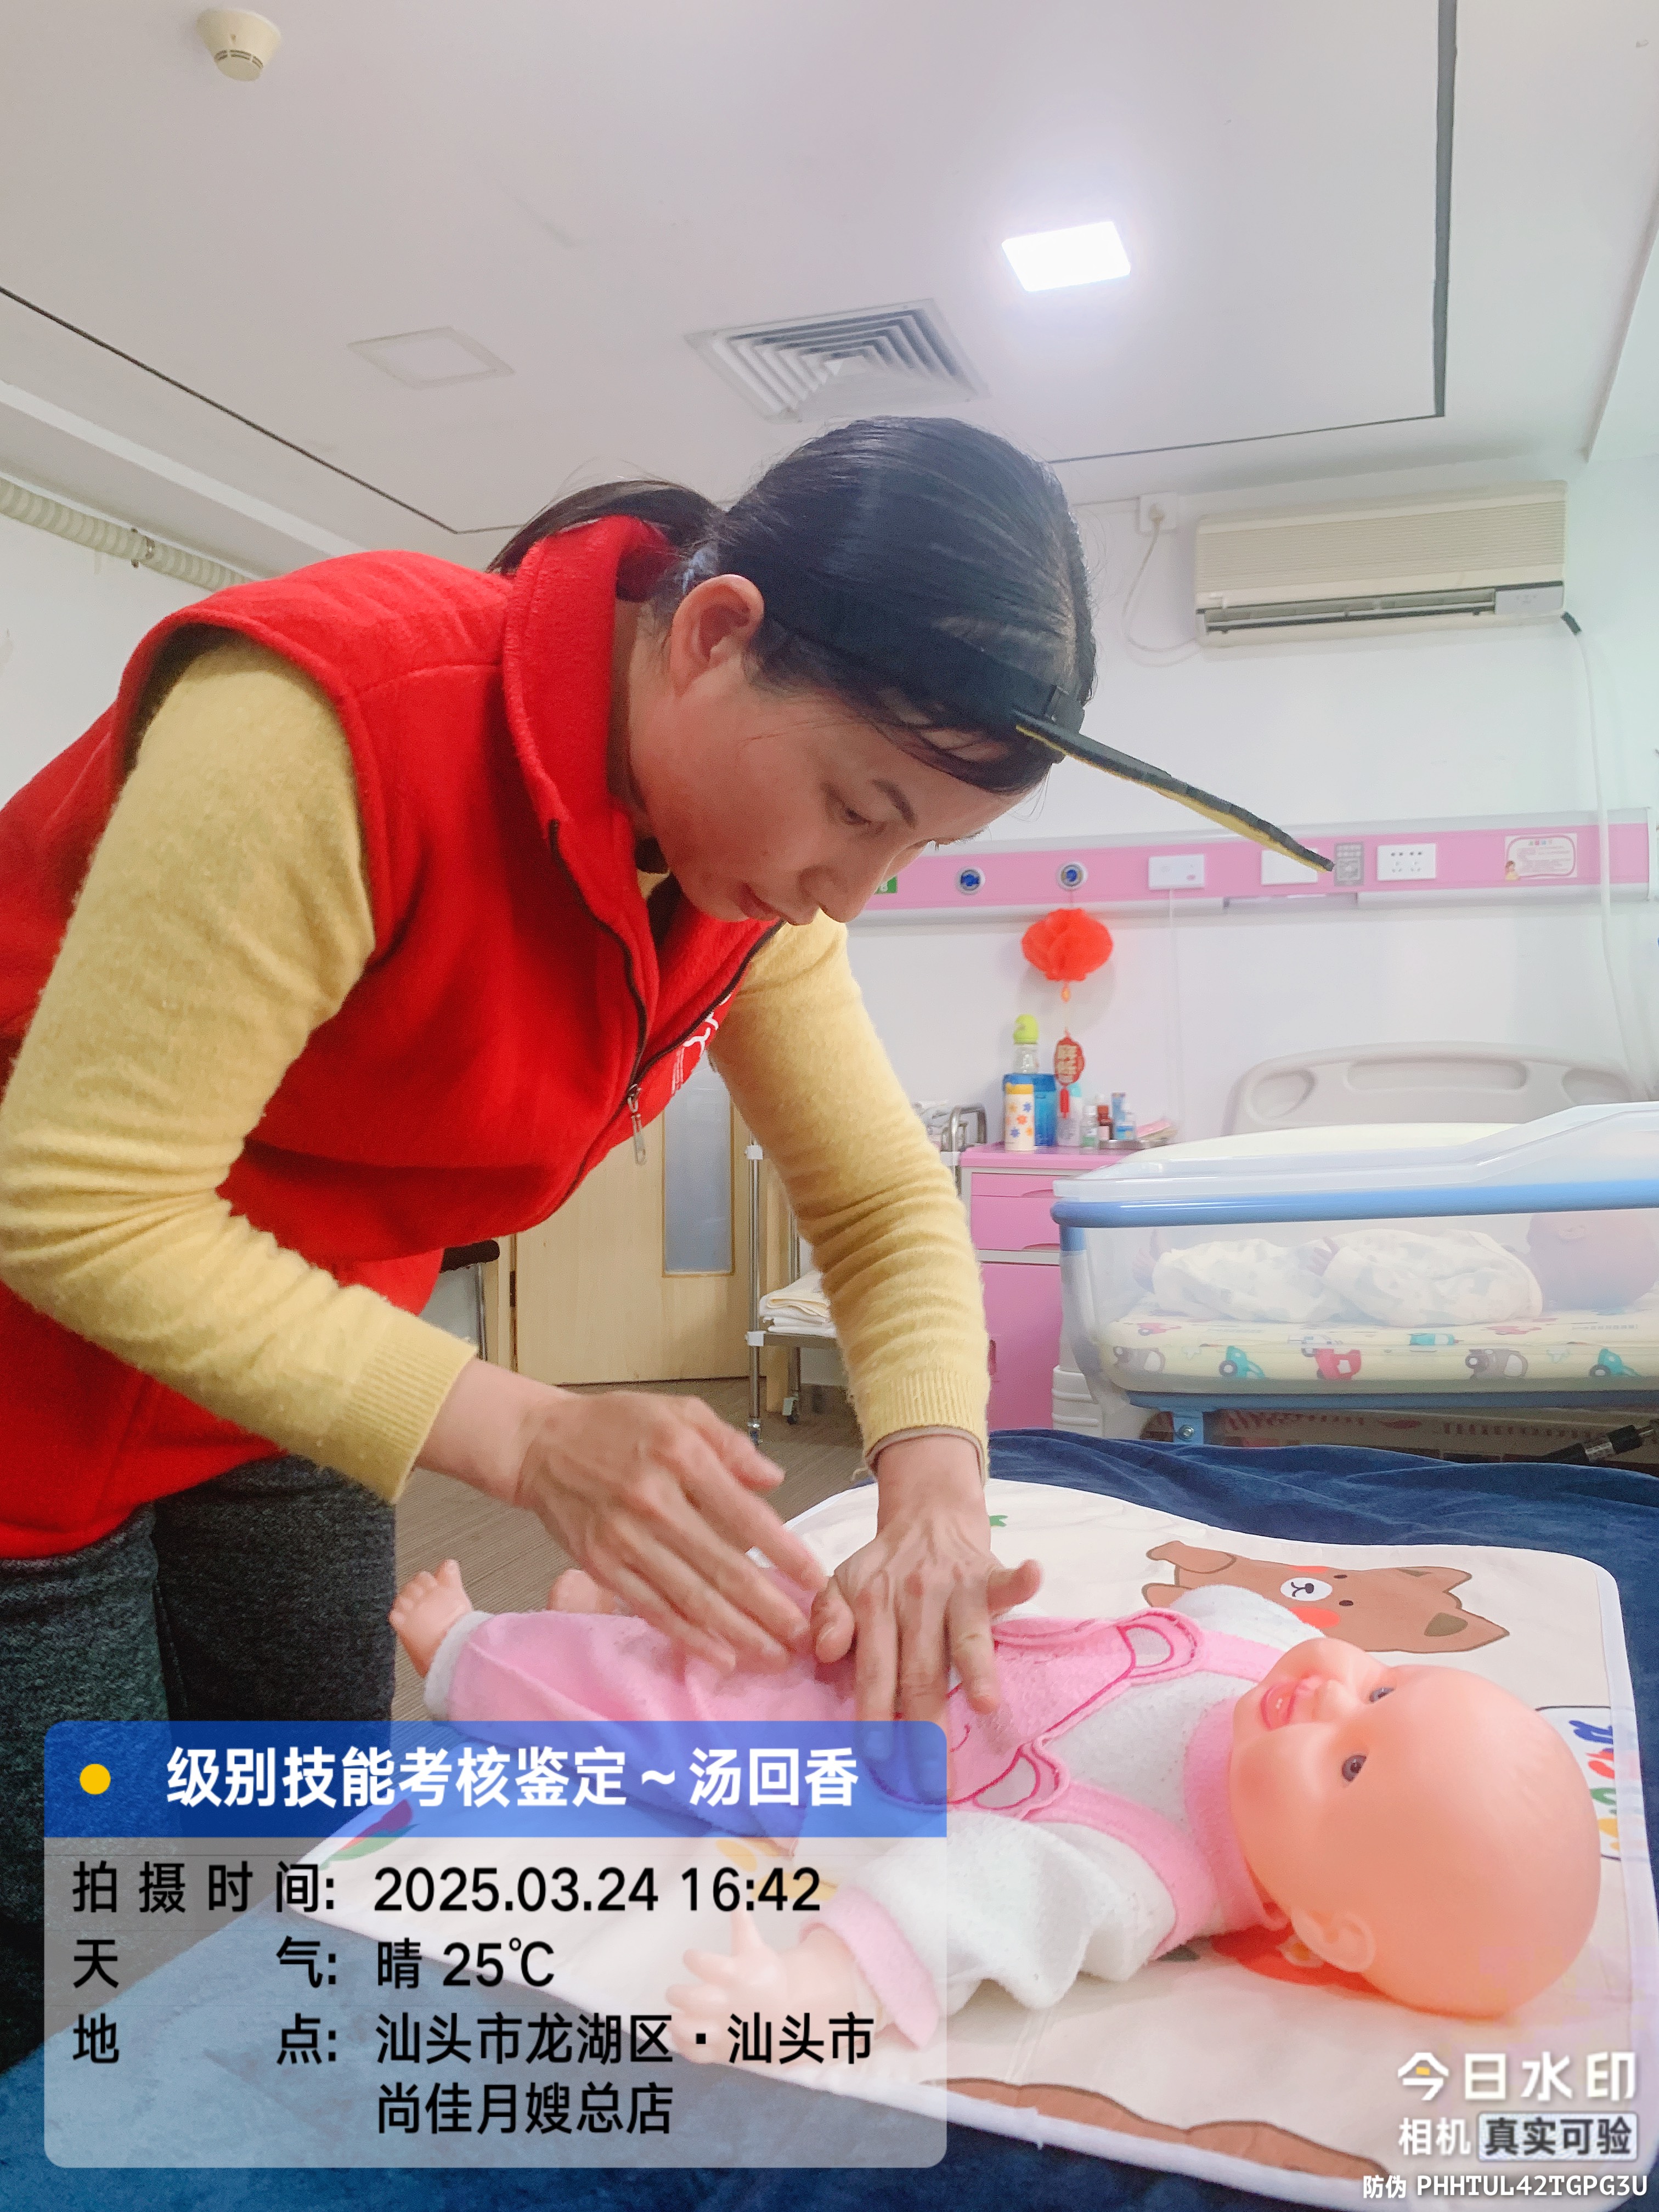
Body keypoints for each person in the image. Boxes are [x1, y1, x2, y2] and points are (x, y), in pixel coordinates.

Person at [0, 411, 1316, 2073]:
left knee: (303, 1847)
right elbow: (80, 1202)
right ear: (714, 634)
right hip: (29, 1388)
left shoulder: (739, 893)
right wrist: (527, 1433)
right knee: (77, 1928)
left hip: (294, 1373)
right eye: (857, 807)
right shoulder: (334, 720)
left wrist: (931, 1495)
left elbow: (882, 1200)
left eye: (913, 849)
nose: (853, 890)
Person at [390, 1555, 1601, 2040]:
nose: (1330, 1695)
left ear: (1327, 1929)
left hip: (850, 1749)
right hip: (927, 1641)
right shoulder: (1265, 1666)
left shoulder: (1142, 1872)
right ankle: (626, 1601)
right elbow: (1211, 1614)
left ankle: (472, 1656)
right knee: (781, 1589)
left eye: (1352, 1766)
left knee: (669, 1710)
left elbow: (961, 1904)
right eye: (1384, 1687)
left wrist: (816, 1988)